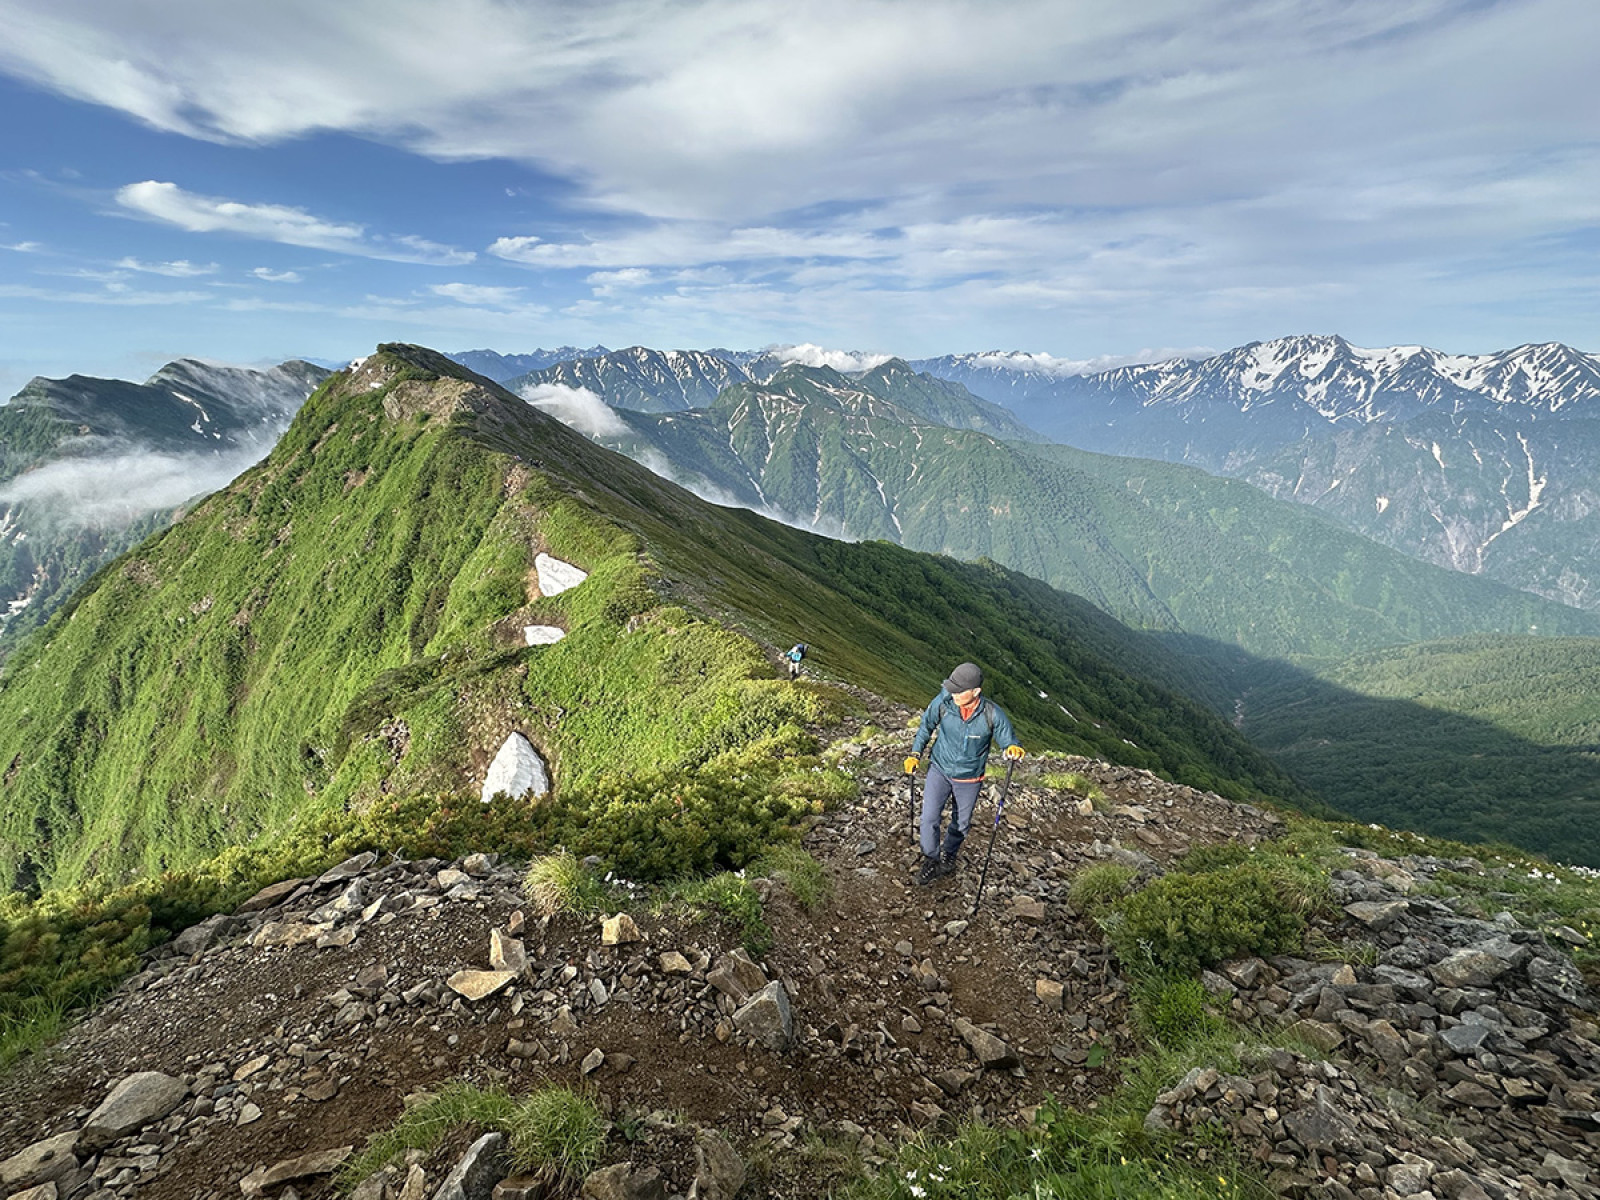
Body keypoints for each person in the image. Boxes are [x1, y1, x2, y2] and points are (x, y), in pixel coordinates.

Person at [904, 661, 1024, 885]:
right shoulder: (944, 700)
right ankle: (930, 859)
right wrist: (914, 754)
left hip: (969, 778)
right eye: (951, 687)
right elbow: (925, 726)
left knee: (961, 824)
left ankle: (949, 854)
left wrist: (1012, 748)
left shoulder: (992, 714)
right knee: (929, 817)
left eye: (959, 690)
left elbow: (1007, 739)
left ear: (976, 692)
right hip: (939, 768)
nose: (953, 693)